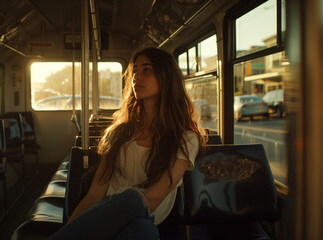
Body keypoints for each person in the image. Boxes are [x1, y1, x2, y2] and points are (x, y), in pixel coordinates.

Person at [49, 47, 206, 240]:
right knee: (139, 217)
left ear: (166, 77)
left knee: (140, 218)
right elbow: (95, 194)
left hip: (147, 217)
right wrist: (71, 226)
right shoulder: (119, 133)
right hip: (108, 220)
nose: (136, 77)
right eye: (134, 71)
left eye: (146, 70)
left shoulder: (185, 139)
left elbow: (155, 197)